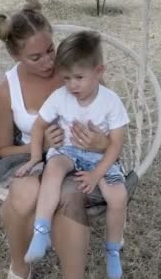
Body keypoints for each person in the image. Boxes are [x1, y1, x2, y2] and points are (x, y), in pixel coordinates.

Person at [0, 0, 110, 279]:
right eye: (36, 57)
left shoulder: (74, 71)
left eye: (50, 50)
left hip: (80, 157)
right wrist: (39, 146)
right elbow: (1, 149)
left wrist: (100, 142)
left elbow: (110, 118)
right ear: (15, 56)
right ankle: (20, 269)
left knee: (70, 194)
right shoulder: (6, 92)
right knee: (26, 191)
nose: (48, 62)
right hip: (30, 157)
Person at [16, 31, 128, 279]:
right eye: (66, 78)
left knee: (118, 197)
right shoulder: (60, 97)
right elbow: (39, 126)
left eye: (79, 77)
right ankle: (41, 231)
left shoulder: (111, 102)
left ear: (99, 71)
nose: (72, 85)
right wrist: (36, 157)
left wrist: (96, 173)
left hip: (100, 158)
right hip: (68, 151)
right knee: (53, 169)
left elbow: (116, 144)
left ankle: (112, 250)